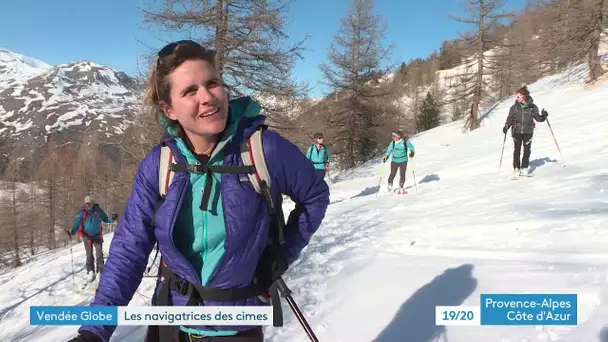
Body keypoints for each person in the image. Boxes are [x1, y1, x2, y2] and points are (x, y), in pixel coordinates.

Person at [68, 40, 329, 342]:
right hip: (170, 322)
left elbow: (315, 196)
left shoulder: (263, 150)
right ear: (169, 109)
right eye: (190, 91)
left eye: (212, 83)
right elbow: (129, 249)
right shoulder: (160, 165)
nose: (207, 97)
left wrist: (281, 255)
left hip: (237, 325)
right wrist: (93, 331)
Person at [67, 195, 117, 282]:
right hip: (87, 236)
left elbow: (105, 219)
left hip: (97, 235)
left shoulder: (98, 210)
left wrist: (112, 218)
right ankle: (90, 272)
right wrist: (72, 231)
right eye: (86, 203)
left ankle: (100, 271)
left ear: (93, 203)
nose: (88, 205)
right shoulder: (82, 212)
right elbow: (77, 223)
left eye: (89, 203)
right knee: (89, 254)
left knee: (99, 254)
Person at [502, 85, 547, 179]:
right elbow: (510, 118)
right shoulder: (514, 108)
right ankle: (516, 168)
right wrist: (507, 126)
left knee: (527, 150)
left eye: (518, 96)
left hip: (528, 131)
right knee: (517, 150)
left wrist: (543, 116)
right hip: (516, 131)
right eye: (516, 96)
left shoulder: (532, 107)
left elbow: (538, 118)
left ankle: (524, 168)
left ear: (524, 96)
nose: (517, 98)